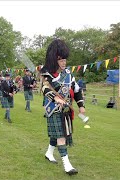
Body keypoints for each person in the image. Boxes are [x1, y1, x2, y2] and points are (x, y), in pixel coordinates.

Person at [41, 39, 86, 176]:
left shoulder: (69, 74)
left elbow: (76, 90)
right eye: (61, 60)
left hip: (66, 109)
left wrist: (81, 106)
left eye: (65, 60)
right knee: (61, 136)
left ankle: (49, 153)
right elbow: (45, 89)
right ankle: (67, 165)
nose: (64, 62)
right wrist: (55, 98)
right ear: (54, 59)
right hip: (53, 109)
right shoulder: (47, 73)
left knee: (58, 134)